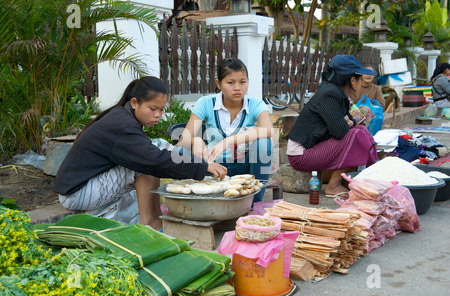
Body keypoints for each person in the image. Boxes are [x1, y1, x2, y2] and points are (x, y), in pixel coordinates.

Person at [53, 76, 227, 230]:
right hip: (78, 193)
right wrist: (203, 166)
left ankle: (155, 217)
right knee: (147, 162)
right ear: (135, 103)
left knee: (156, 148)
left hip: (87, 185)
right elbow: (153, 160)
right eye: (153, 109)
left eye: (161, 109)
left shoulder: (123, 117)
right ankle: (150, 222)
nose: (158, 115)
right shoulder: (122, 124)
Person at [176, 58, 273, 204]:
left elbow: (268, 130)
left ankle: (254, 204)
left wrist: (229, 140)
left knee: (264, 144)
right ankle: (189, 201)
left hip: (244, 167)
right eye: (230, 82)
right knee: (181, 152)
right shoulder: (206, 103)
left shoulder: (255, 104)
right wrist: (196, 140)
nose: (237, 88)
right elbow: (183, 140)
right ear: (218, 84)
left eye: (242, 82)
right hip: (212, 167)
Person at [287, 55, 379, 199]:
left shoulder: (339, 93)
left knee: (359, 131)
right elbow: (340, 130)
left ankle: (348, 180)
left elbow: (349, 121)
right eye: (360, 79)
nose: (361, 82)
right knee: (357, 135)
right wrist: (350, 123)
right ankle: (333, 186)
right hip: (301, 154)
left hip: (313, 148)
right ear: (352, 80)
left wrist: (349, 122)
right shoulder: (330, 94)